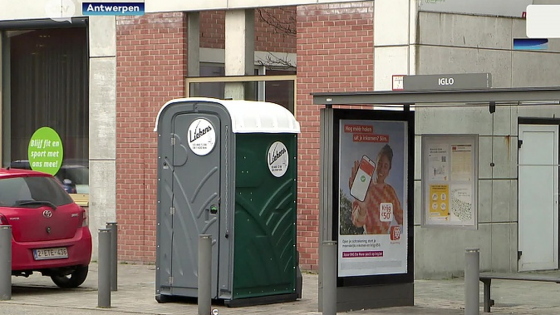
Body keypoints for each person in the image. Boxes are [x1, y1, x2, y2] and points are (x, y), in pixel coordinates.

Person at [348, 144, 403, 234]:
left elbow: (402, 218)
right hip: (368, 242)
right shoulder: (366, 187)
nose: (381, 169)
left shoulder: (390, 191)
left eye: (385, 166)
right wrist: (362, 208)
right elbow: (357, 222)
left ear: (389, 170)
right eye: (380, 163)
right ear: (376, 164)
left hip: (385, 242)